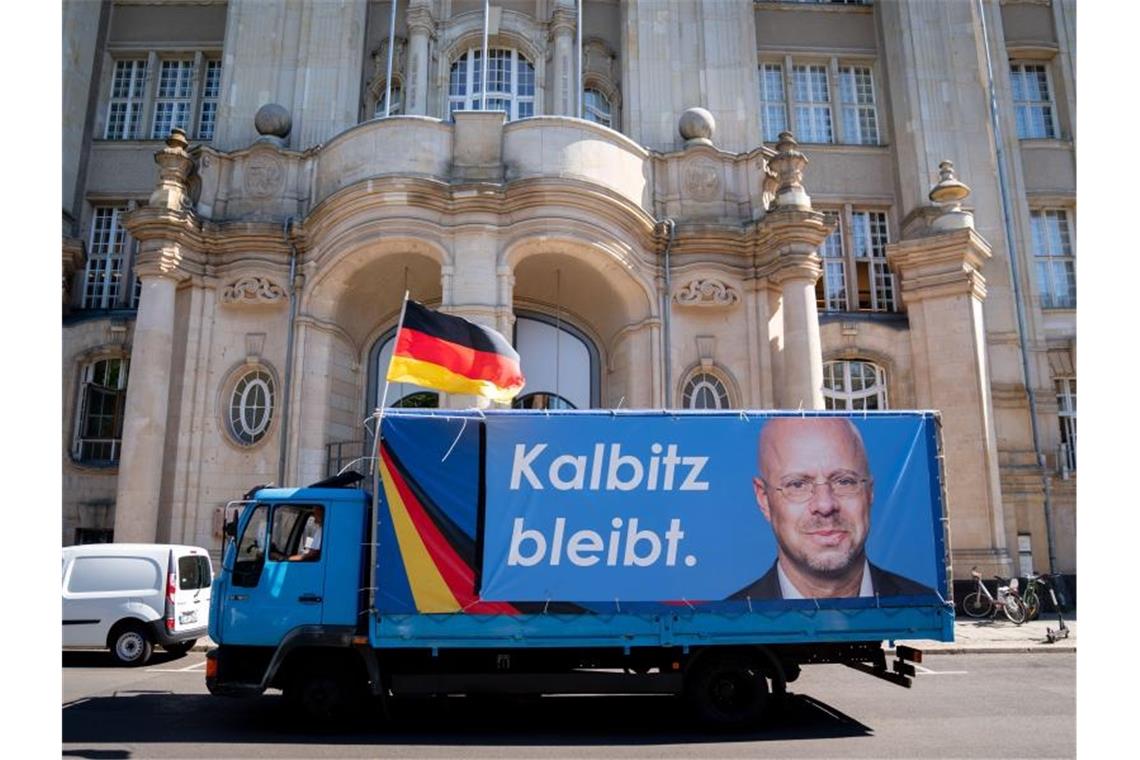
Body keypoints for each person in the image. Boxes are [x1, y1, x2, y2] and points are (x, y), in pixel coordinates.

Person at [730, 417, 934, 600]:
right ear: (764, 499)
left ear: (869, 492)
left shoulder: (922, 599)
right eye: (798, 485)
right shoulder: (736, 612)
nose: (825, 505)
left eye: (844, 482)